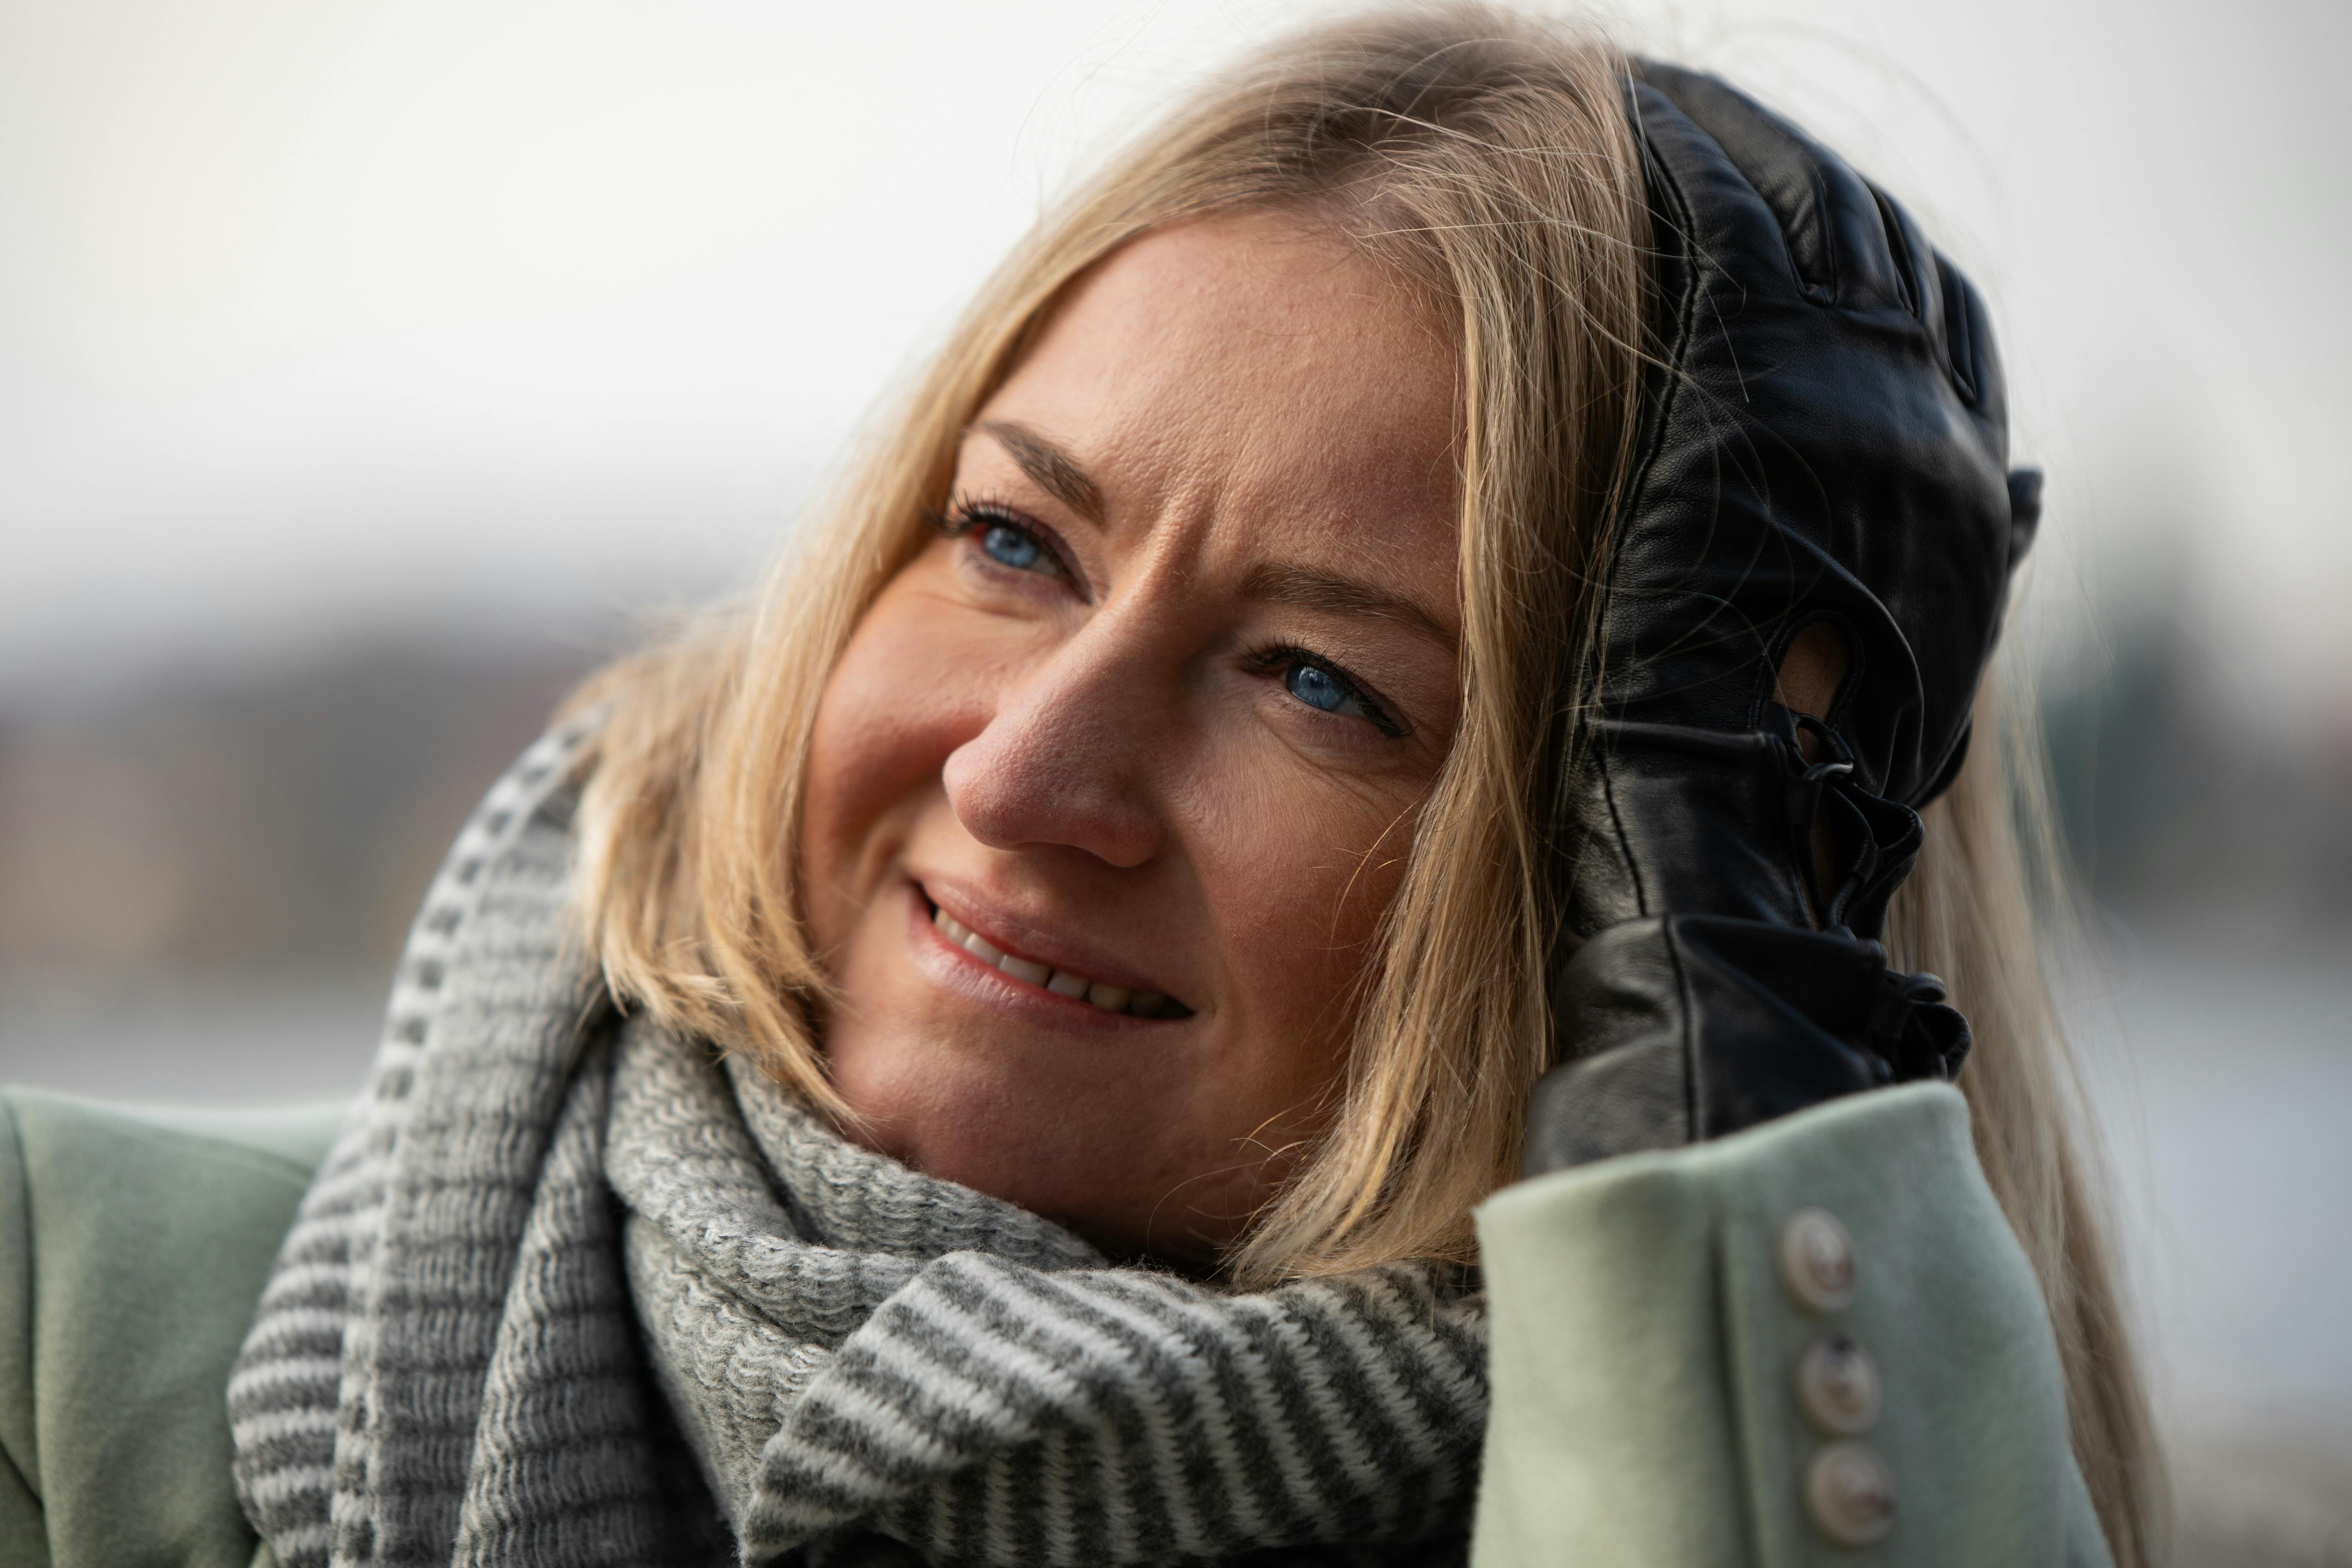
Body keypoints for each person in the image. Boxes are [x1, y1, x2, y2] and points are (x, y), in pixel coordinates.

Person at [0, 7, 2161, 1566]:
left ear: (1652, 882)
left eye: (1319, 681)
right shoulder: (55, 1314)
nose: (1027, 771)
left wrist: (1728, 1131)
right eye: (1015, 542)